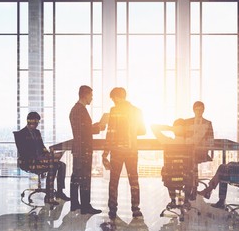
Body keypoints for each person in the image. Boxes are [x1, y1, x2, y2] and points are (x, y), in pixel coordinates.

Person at [102, 87, 146, 219]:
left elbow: (110, 133)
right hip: (132, 150)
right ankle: (135, 209)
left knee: (114, 181)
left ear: (117, 97)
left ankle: (112, 209)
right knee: (134, 180)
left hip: (117, 151)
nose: (113, 102)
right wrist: (130, 133)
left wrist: (105, 153)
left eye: (113, 99)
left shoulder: (114, 111)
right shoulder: (137, 111)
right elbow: (143, 131)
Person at [16, 112, 69, 205]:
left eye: (37, 122)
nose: (37, 124)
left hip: (39, 160)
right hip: (29, 162)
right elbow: (23, 153)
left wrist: (49, 155)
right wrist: (39, 158)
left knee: (61, 165)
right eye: (36, 122)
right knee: (54, 166)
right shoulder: (21, 134)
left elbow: (42, 147)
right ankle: (49, 196)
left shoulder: (37, 132)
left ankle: (59, 192)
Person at [69, 85, 106, 214]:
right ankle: (85, 206)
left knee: (76, 177)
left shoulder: (77, 109)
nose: (92, 98)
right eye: (91, 95)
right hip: (83, 149)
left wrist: (95, 126)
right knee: (84, 177)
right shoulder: (80, 110)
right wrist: (98, 128)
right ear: (85, 95)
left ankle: (75, 204)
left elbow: (84, 128)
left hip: (79, 149)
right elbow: (85, 130)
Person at [151, 118, 193, 208]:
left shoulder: (166, 141)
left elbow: (153, 127)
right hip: (185, 177)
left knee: (167, 170)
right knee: (190, 170)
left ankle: (173, 200)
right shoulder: (189, 142)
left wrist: (170, 128)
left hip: (171, 178)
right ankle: (186, 201)